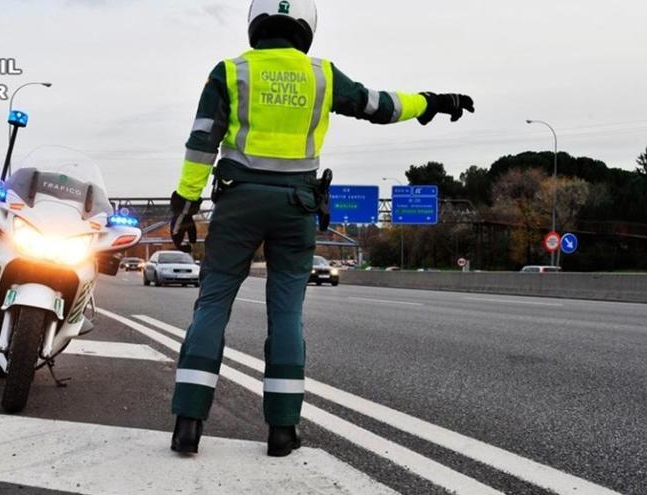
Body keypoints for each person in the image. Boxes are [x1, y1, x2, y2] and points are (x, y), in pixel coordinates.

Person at [168, 0, 475, 457]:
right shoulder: (322, 75)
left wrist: (185, 201)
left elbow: (202, 141)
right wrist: (431, 102)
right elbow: (380, 105)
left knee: (212, 304)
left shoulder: (230, 72)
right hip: (297, 206)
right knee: (286, 313)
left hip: (238, 203)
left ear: (255, 25)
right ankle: (282, 431)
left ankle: (189, 423)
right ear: (305, 29)